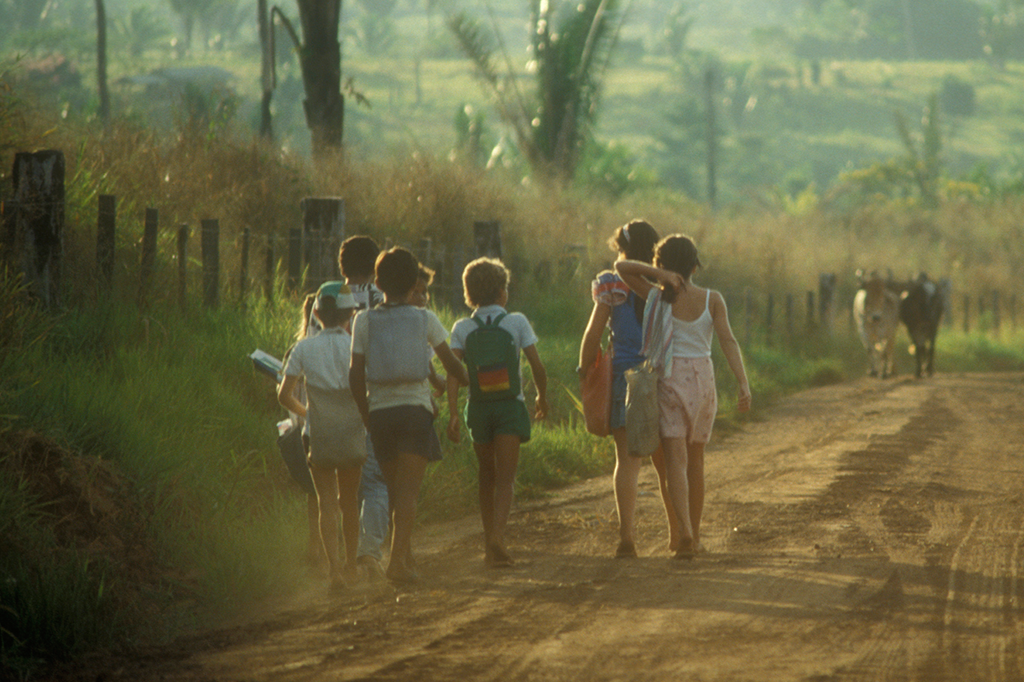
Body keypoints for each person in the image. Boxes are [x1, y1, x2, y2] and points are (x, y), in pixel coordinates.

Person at [615, 234, 751, 559]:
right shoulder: (713, 299)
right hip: (703, 382)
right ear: (694, 266)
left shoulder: (654, 296)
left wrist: (658, 274)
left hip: (670, 380)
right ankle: (696, 535)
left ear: (661, 264)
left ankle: (685, 533)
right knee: (696, 462)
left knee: (675, 461)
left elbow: (621, 267)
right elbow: (728, 341)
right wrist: (743, 383)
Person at [349, 247, 469, 585]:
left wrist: (366, 415)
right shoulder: (424, 319)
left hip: (380, 414)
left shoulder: (364, 320)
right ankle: (398, 564)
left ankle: (402, 556)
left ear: (377, 283)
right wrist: (472, 380)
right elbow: (451, 363)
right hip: (415, 412)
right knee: (408, 494)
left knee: (393, 489)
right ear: (414, 281)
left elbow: (355, 374)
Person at [578, 220, 680, 558]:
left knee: (627, 461)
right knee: (666, 465)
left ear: (622, 250)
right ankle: (677, 533)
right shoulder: (664, 286)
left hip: (626, 379)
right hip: (660, 378)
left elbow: (593, 334)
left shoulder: (611, 285)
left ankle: (627, 537)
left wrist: (584, 369)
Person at [446, 257, 548, 567]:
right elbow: (537, 365)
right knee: (506, 478)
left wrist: (453, 412)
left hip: (478, 409)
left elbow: (453, 373)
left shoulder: (462, 327)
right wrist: (542, 396)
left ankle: (489, 542)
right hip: (509, 407)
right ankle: (497, 538)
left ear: (469, 294)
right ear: (502, 292)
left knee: (486, 475)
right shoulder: (516, 322)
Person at [278, 282, 367, 589]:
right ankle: (352, 567)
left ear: (316, 314)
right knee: (350, 500)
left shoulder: (304, 349)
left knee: (326, 501)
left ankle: (334, 571)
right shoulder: (356, 346)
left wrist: (307, 413)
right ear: (350, 314)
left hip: (319, 434)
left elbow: (284, 396)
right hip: (352, 432)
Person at [338, 235, 389, 581]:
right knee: (374, 480)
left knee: (341, 484)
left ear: (341, 265)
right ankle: (368, 551)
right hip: (371, 398)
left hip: (331, 402)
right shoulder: (382, 300)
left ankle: (338, 558)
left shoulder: (326, 298)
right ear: (375, 266)